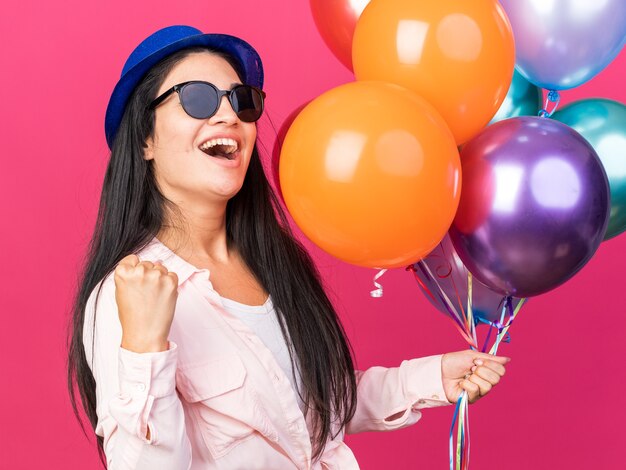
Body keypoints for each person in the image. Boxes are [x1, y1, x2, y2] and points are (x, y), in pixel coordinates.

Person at [67, 25, 509, 470]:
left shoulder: (272, 262)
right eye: (197, 97)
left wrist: (430, 379)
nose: (228, 117)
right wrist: (145, 348)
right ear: (145, 138)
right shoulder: (128, 294)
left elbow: (309, 409)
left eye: (241, 101)